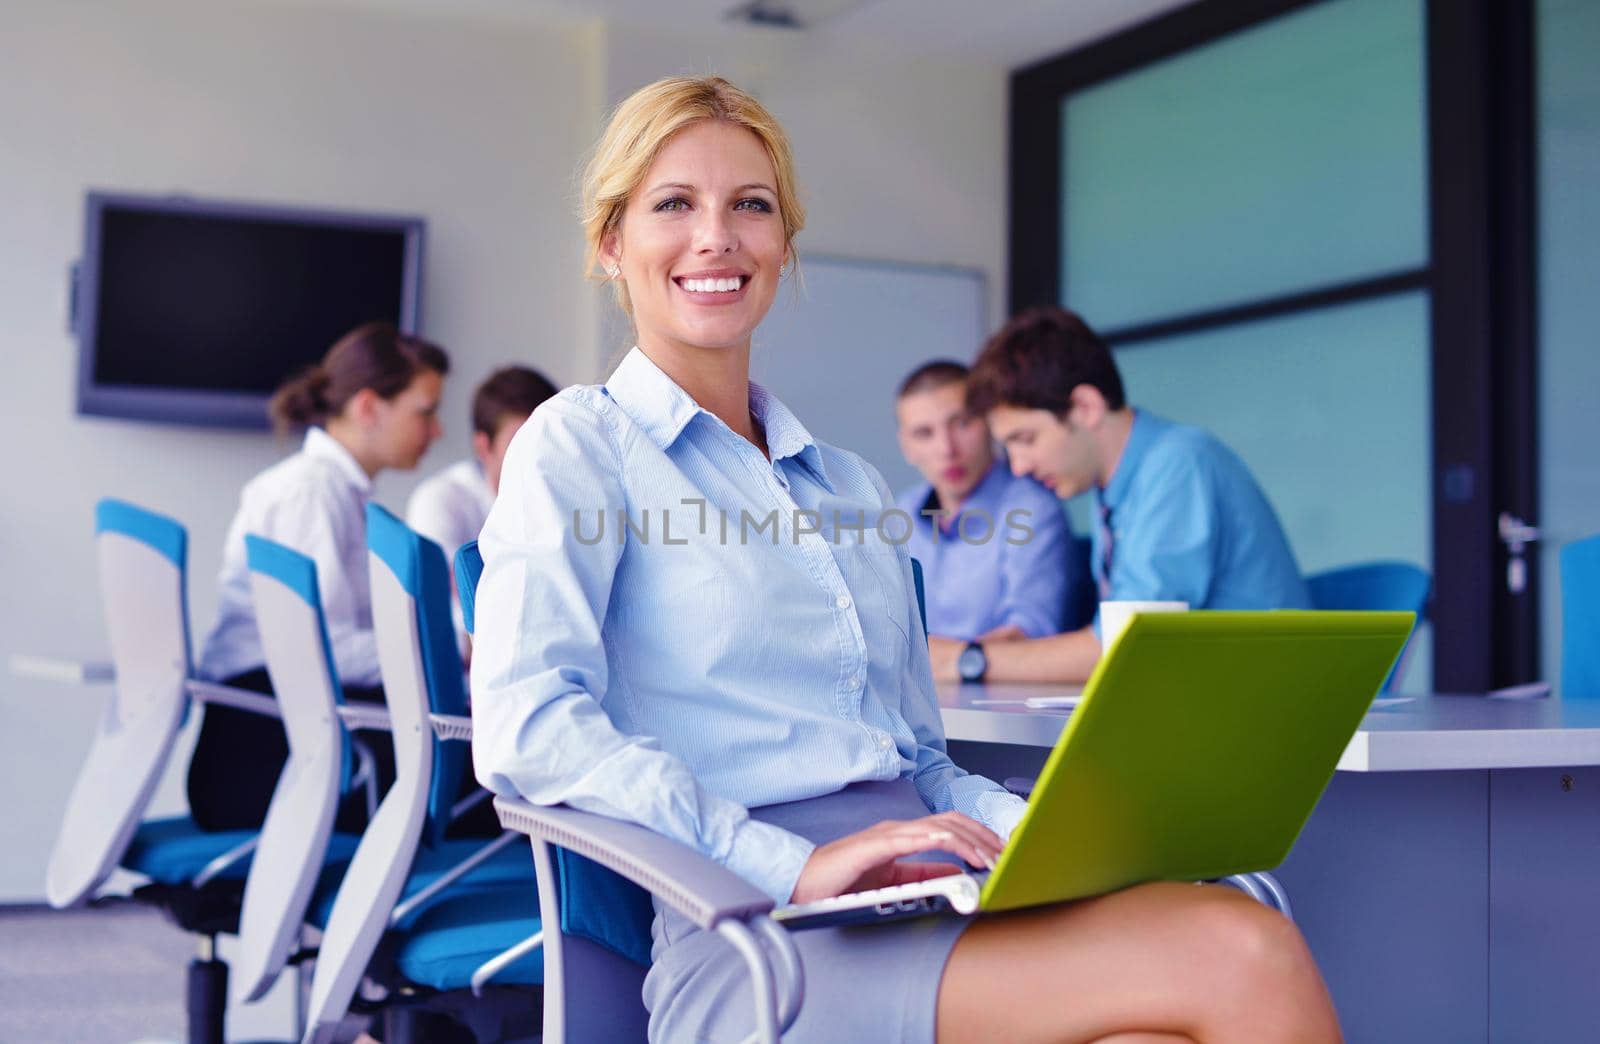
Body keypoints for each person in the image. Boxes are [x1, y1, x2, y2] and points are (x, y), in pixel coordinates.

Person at [471, 76, 1338, 1042]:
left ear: (784, 245)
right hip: (759, 931)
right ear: (610, 242)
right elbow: (528, 725)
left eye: (750, 206)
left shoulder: (850, 487)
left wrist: (1034, 834)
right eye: (673, 204)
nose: (716, 236)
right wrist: (792, 866)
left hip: (926, 882)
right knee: (1239, 946)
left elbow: (921, 760)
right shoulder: (578, 443)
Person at [930, 305, 1311, 687]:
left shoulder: (1178, 464)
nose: (1018, 467)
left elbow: (1125, 648)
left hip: (1263, 703)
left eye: (1025, 440)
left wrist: (966, 660)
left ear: (1085, 408)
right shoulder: (1114, 486)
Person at [192, 321, 448, 831]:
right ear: (369, 407)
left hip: (288, 727)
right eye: (426, 412)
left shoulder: (336, 493)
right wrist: (441, 649)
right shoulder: (310, 494)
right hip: (264, 747)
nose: (437, 430)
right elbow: (324, 646)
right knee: (486, 775)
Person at [894, 359, 1078, 643]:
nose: (947, 449)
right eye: (924, 433)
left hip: (998, 684)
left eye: (963, 423)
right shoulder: (900, 511)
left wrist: (942, 660)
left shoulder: (1034, 509)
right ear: (906, 446)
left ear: (991, 424)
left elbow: (1030, 631)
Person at [406, 365, 557, 646]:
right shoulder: (441, 500)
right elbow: (440, 618)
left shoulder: (564, 504)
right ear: (484, 447)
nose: (536, 454)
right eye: (518, 442)